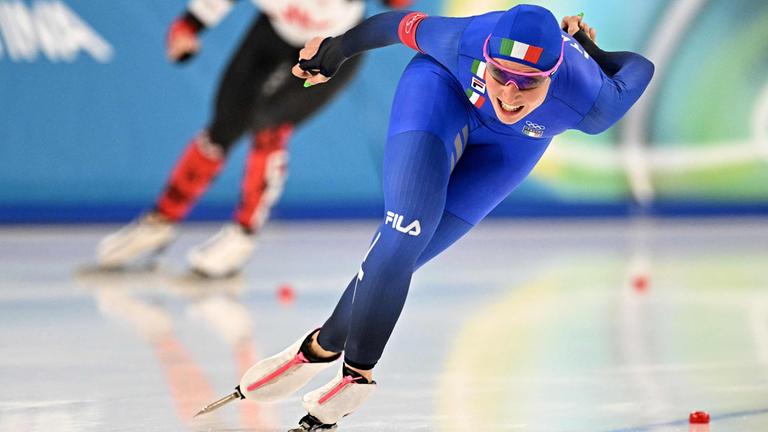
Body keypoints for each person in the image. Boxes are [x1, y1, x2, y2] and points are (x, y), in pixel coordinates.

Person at [212, 5, 654, 430]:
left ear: (554, 75)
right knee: (406, 230)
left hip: (513, 147)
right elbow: (396, 25)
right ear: (488, 58)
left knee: (409, 252)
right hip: (439, 95)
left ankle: (320, 346)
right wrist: (335, 51)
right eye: (501, 75)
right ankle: (356, 375)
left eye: (528, 84)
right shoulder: (465, 40)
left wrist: (592, 53)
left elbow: (640, 67)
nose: (509, 93)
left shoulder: (592, 101)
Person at [96, 0, 409, 278]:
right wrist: (187, 26)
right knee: (221, 128)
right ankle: (160, 222)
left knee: (269, 125)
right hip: (273, 33)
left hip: (334, 44)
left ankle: (243, 234)